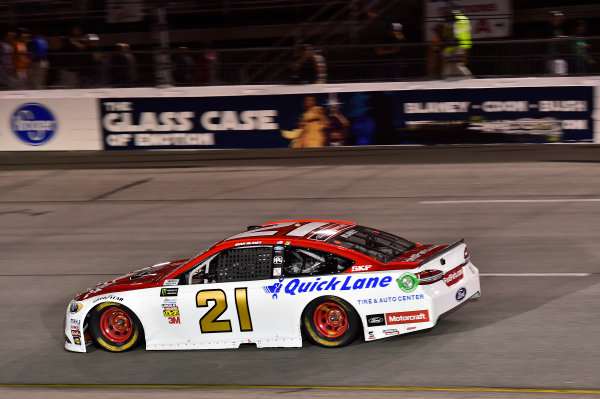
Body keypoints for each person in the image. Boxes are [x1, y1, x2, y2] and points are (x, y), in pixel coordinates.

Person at [442, 9, 472, 78]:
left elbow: (446, 34)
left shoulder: (451, 19)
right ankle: (466, 77)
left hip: (455, 45)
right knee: (459, 63)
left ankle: (467, 77)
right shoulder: (465, 19)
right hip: (465, 44)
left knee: (452, 63)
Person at [547, 10, 568, 76]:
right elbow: (554, 38)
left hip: (559, 58)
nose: (559, 20)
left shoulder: (558, 29)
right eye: (557, 18)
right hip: (554, 59)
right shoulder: (550, 28)